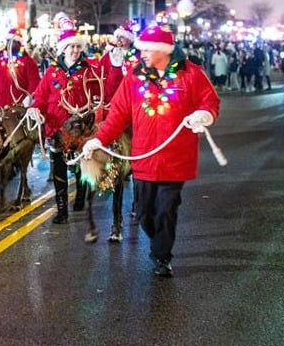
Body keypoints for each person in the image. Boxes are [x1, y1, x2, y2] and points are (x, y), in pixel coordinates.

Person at [81, 24, 220, 277]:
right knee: (144, 213)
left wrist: (204, 115)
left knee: (167, 209)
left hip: (175, 158)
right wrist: (98, 139)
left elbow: (209, 101)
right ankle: (159, 246)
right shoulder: (134, 77)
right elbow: (118, 114)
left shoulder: (190, 74)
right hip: (144, 159)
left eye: (146, 49)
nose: (141, 54)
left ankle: (162, 256)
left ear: (162, 51)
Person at [26, 19, 107, 224]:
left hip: (80, 129)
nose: (75, 50)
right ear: (63, 48)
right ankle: (61, 208)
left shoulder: (89, 70)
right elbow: (41, 96)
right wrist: (35, 109)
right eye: (71, 46)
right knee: (59, 168)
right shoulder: (52, 71)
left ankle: (80, 194)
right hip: (56, 128)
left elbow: (102, 93)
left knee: (81, 164)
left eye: (78, 46)